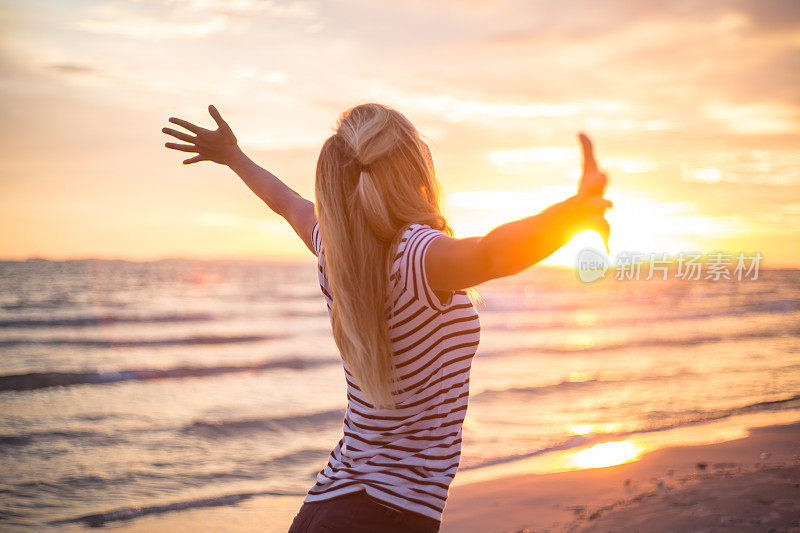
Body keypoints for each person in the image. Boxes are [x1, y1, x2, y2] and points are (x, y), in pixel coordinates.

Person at [163, 103, 611, 532]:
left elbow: (285, 201)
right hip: (387, 515)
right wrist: (573, 213)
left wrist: (234, 157)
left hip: (326, 505)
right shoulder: (415, 254)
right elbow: (491, 252)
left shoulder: (334, 249)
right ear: (411, 169)